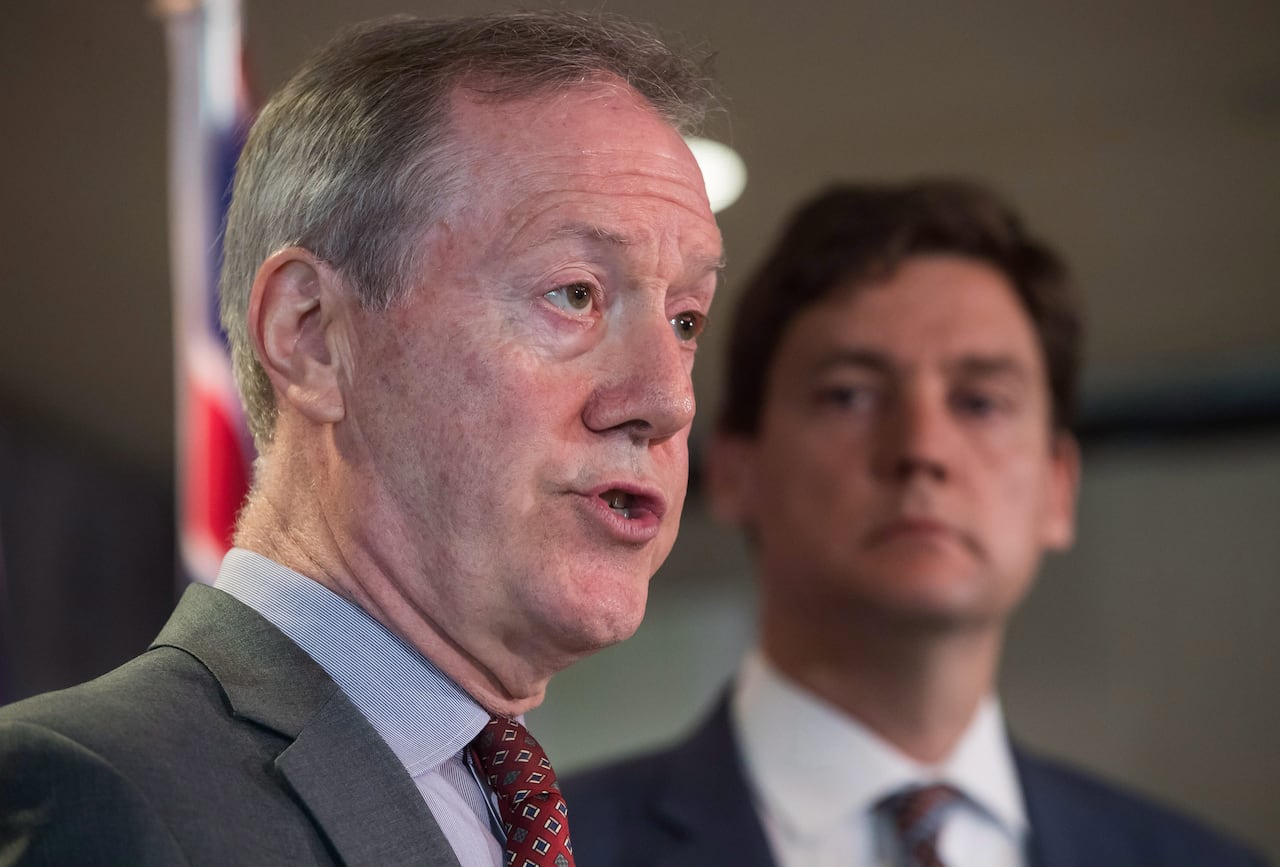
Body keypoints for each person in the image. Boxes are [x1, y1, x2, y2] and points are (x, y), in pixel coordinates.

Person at [0, 11, 722, 866]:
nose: (669, 400)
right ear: (311, 334)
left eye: (685, 319)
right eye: (575, 294)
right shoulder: (101, 791)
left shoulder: (546, 824)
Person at [563, 181, 1268, 867]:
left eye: (981, 402)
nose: (922, 448)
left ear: (1059, 487)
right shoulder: (547, 853)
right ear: (734, 470)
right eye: (850, 395)